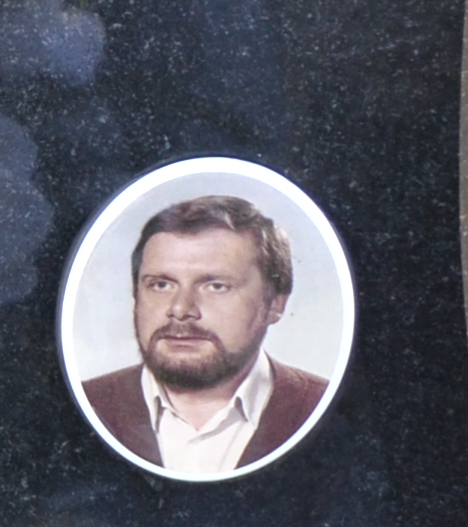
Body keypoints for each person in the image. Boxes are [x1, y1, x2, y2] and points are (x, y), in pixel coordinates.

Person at [80, 194, 327, 479]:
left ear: (275, 305)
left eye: (216, 286)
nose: (180, 309)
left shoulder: (325, 409)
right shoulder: (84, 406)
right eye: (161, 285)